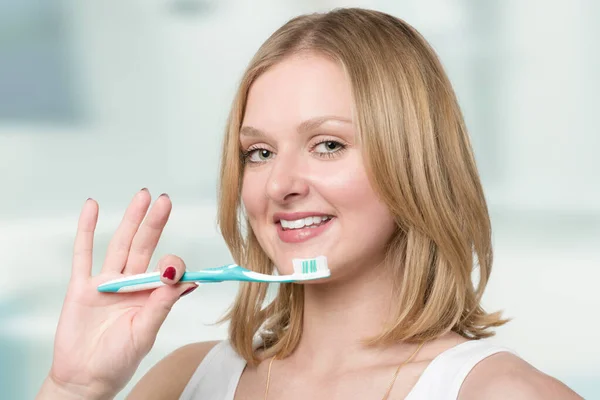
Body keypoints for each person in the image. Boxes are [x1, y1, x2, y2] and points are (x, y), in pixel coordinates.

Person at [36, 7, 581, 400]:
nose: (280, 185)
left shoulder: (503, 392)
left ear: (414, 160)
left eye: (328, 145)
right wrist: (73, 387)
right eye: (260, 151)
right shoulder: (184, 381)